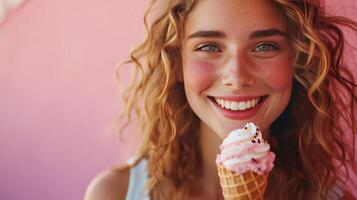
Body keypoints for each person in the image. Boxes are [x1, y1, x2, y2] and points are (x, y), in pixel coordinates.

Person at [85, 0, 357, 199]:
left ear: (297, 60)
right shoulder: (114, 193)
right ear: (177, 63)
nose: (237, 77)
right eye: (209, 47)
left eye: (265, 46)